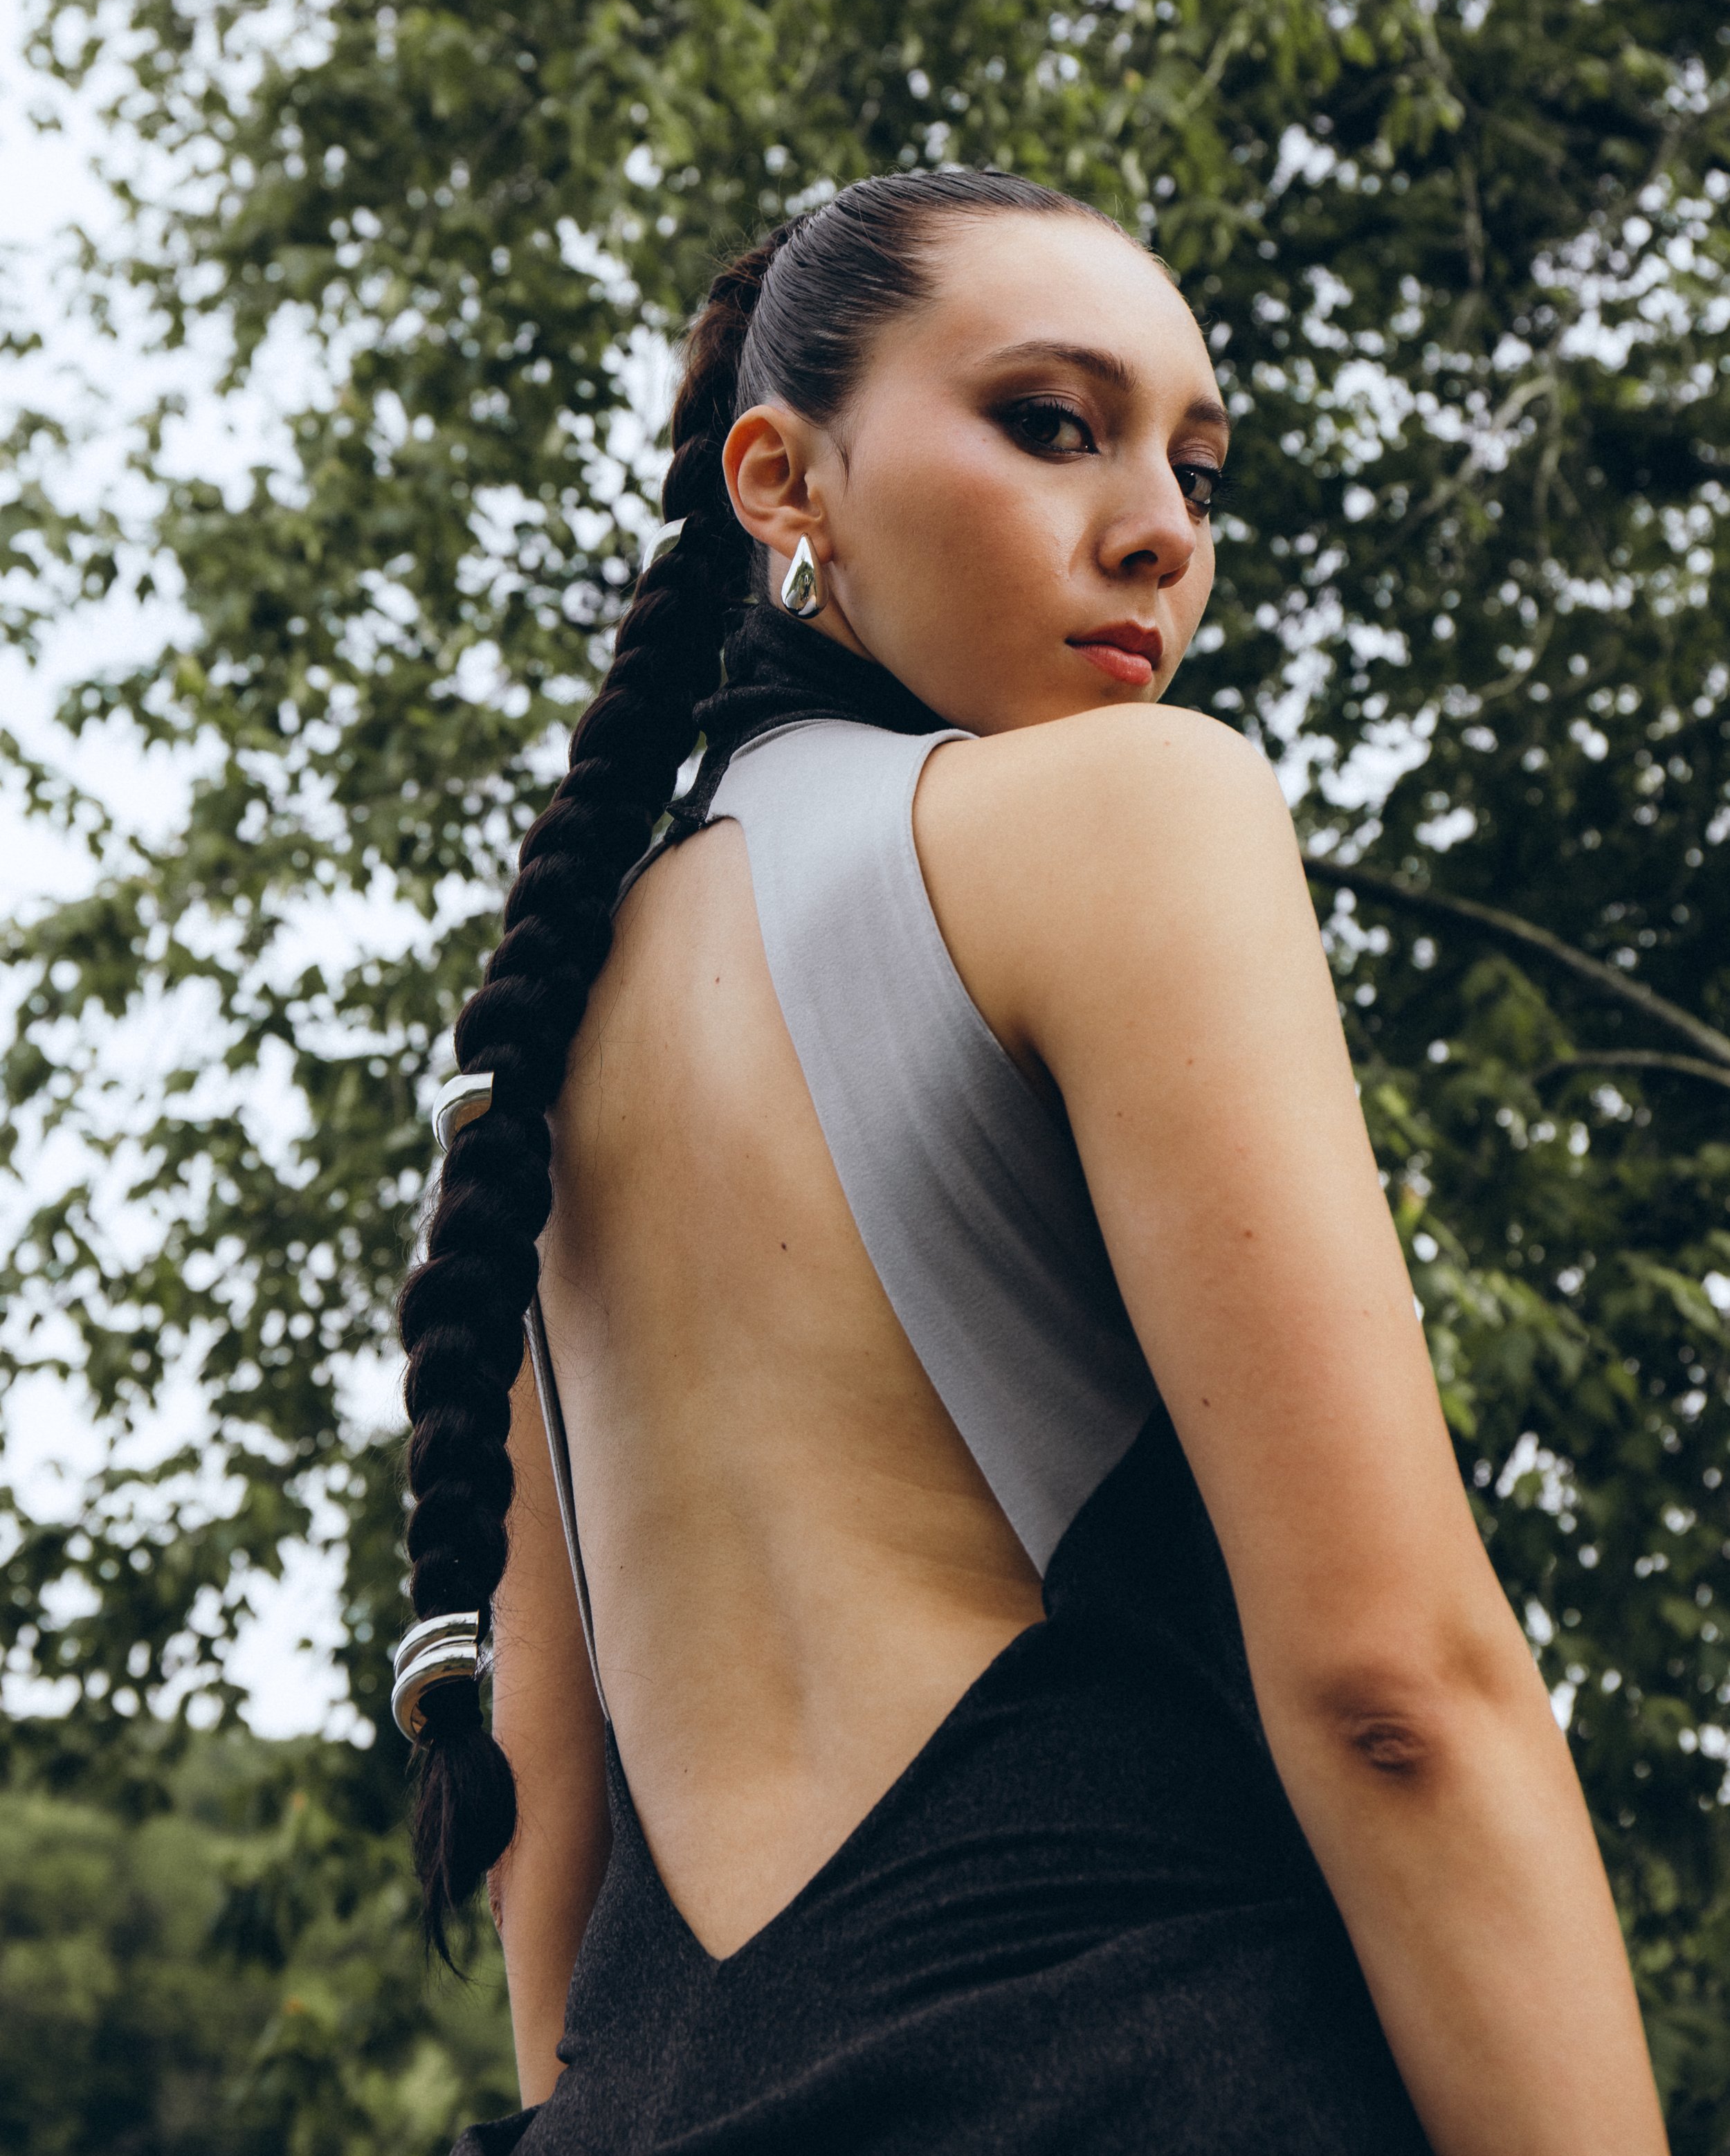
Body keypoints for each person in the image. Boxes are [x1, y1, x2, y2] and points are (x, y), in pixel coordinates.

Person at [394, 169, 1667, 2155]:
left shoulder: (535, 1044)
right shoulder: (1126, 814)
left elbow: (547, 1846)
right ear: (781, 481)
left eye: (1199, 470)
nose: (1161, 528)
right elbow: (1394, 1697)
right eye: (1052, 424)